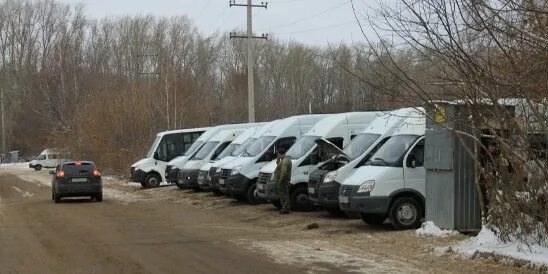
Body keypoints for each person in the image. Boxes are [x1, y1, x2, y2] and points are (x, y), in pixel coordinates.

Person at [274, 147, 292, 214]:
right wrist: (278, 159)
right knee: (283, 194)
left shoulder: (285, 161)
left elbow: (284, 172)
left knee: (284, 194)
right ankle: (285, 208)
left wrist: (280, 180)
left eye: (277, 154)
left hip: (283, 181)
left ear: (280, 153)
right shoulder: (284, 160)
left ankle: (285, 208)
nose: (277, 155)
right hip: (284, 180)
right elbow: (279, 166)